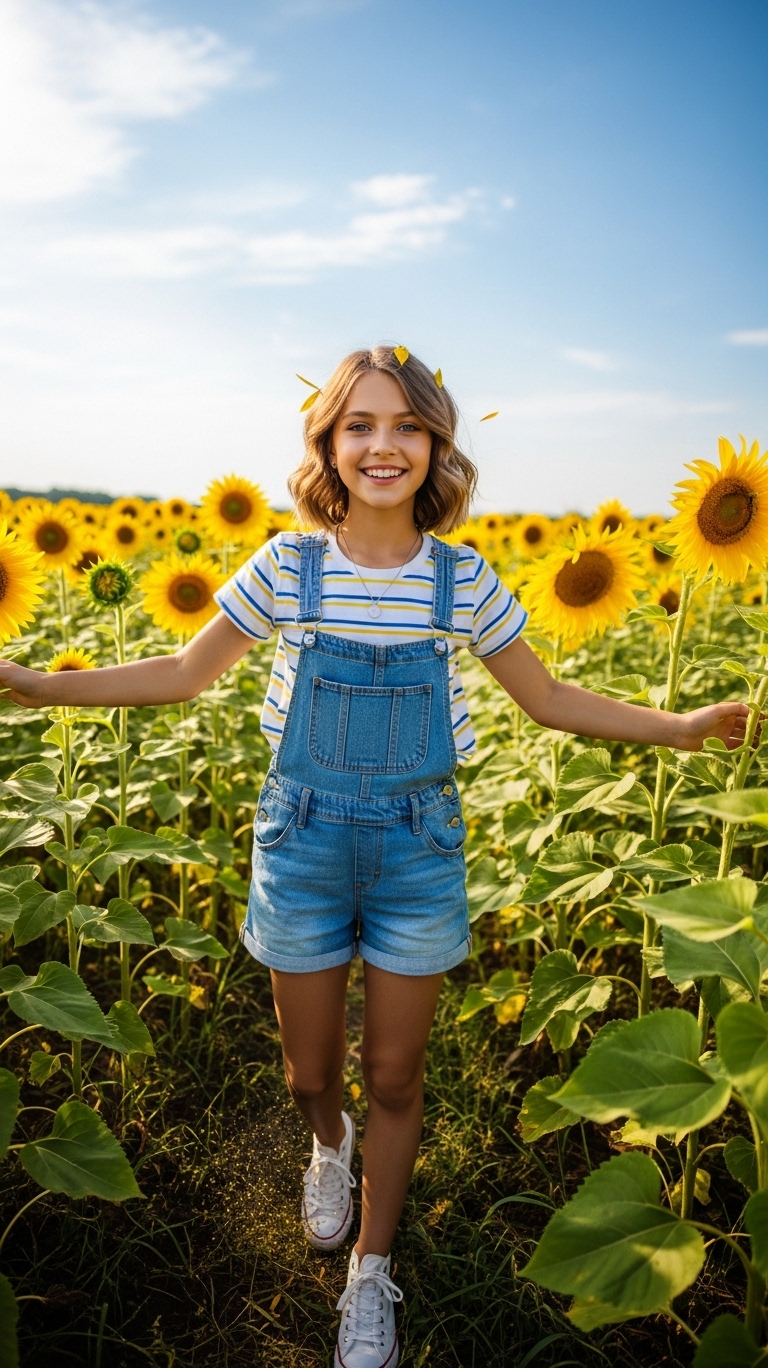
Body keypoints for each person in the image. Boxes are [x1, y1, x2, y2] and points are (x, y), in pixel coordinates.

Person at [0, 346, 750, 1368]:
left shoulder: (462, 579)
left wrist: (678, 726)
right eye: (359, 424)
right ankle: (328, 1144)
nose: (383, 444)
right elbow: (183, 673)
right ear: (329, 444)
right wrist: (40, 684)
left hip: (417, 847)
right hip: (303, 838)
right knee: (312, 1070)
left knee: (396, 1072)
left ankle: (370, 1268)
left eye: (406, 425)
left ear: (436, 443)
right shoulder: (288, 567)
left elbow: (549, 699)